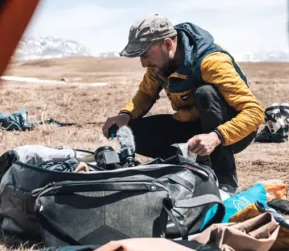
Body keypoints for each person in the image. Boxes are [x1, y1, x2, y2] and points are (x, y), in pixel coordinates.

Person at [101, 14, 264, 193]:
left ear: (168, 44)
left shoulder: (211, 62)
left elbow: (254, 112)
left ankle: (225, 182)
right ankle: (192, 166)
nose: (143, 63)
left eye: (145, 54)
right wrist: (125, 115)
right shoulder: (158, 65)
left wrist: (216, 137)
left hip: (229, 132)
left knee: (206, 94)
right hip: (193, 126)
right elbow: (145, 94)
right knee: (132, 132)